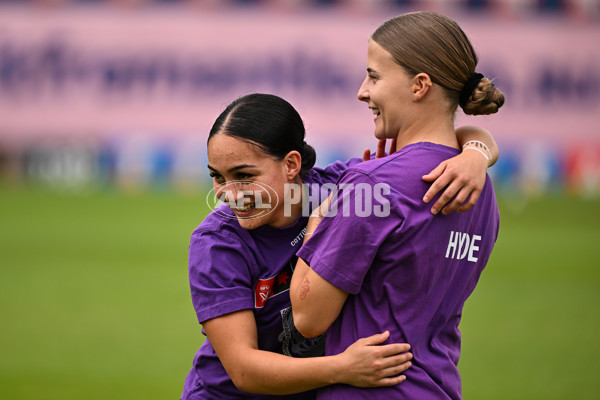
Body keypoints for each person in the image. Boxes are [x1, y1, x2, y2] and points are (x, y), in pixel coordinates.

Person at [182, 92, 499, 399]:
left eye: (243, 175)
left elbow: (450, 138)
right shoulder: (217, 243)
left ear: (292, 164)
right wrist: (343, 368)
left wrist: (476, 155)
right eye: (218, 177)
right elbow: (244, 370)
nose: (229, 193)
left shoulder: (344, 187)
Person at [290, 11, 504, 400]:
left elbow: (307, 317)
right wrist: (478, 148)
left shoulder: (372, 184)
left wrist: (320, 220)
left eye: (373, 77)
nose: (362, 91)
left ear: (420, 85)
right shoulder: (481, 190)